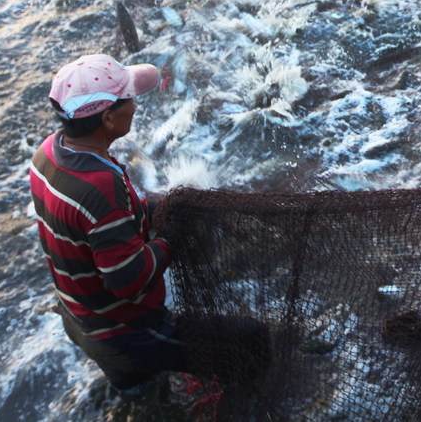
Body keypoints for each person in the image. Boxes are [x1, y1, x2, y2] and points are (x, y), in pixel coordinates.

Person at [29, 54, 267, 394]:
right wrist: (170, 237)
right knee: (251, 341)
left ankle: (138, 392)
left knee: (137, 388)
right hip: (125, 332)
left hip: (79, 317)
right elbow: (126, 278)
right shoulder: (100, 185)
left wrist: (151, 206)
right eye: (129, 100)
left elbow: (90, 224)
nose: (135, 106)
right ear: (109, 118)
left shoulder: (48, 152)